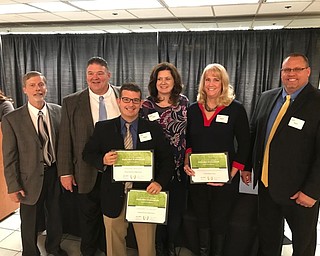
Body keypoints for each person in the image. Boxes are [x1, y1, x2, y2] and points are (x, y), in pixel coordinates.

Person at [83, 83, 174, 256]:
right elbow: (88, 153)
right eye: (126, 99)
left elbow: (167, 160)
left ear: (141, 103)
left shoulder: (153, 128)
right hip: (112, 195)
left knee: (147, 247)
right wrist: (102, 160)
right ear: (119, 101)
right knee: (114, 245)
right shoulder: (103, 128)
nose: (130, 104)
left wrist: (160, 182)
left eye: (135, 100)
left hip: (145, 195)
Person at [245, 53, 320, 256]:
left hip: (300, 192)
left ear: (308, 71)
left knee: (303, 243)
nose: (291, 74)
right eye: (287, 70)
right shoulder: (267, 97)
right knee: (268, 239)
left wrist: (313, 191)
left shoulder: (317, 102)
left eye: (297, 69)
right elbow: (254, 134)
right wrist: (247, 166)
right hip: (267, 187)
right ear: (281, 73)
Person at [183, 63, 250, 256]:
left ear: (223, 83)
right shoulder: (193, 110)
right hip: (198, 177)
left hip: (226, 178)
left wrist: (231, 174)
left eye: (216, 79)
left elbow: (245, 144)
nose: (211, 83)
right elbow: (188, 141)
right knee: (202, 219)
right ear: (202, 83)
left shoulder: (235, 109)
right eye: (207, 79)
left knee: (220, 221)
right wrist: (187, 161)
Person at [57, 56, 120, 256]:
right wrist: (65, 172)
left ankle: (107, 249)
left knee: (113, 216)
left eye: (100, 73)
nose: (95, 78)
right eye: (90, 74)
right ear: (85, 77)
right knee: (88, 218)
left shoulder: (122, 95)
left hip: (118, 168)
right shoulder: (71, 102)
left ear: (108, 75)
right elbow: (65, 139)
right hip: (85, 170)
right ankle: (89, 251)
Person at [2, 71, 67, 256]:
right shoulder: (12, 119)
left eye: (40, 84)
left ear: (46, 87)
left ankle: (54, 247)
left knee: (55, 215)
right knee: (29, 220)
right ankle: (30, 252)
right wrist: (13, 185)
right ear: (24, 89)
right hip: (28, 178)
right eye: (32, 85)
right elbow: (10, 156)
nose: (37, 88)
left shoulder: (58, 111)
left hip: (54, 173)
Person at [140, 62, 188, 256]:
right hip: (156, 170)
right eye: (159, 79)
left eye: (168, 78)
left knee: (175, 212)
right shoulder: (146, 105)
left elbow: (189, 134)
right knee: (157, 212)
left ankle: (170, 246)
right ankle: (158, 248)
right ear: (154, 82)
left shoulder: (183, 102)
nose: (163, 82)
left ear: (174, 80)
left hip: (178, 168)